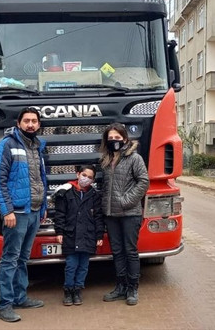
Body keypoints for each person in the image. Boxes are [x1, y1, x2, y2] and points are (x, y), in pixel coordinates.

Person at [0, 107, 48, 322]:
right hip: (17, 212)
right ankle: (4, 305)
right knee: (10, 259)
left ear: (39, 125)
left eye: (34, 121)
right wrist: (7, 210)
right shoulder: (8, 145)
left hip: (33, 211)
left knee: (23, 258)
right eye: (27, 121)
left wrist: (42, 208)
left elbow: (40, 180)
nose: (31, 124)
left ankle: (20, 297)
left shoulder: (37, 147)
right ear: (19, 123)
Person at [98, 123, 148, 306]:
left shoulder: (134, 158)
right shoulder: (105, 160)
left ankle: (132, 288)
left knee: (130, 251)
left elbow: (143, 181)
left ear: (125, 139)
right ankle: (120, 287)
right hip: (111, 214)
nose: (114, 141)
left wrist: (126, 201)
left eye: (117, 138)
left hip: (130, 213)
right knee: (117, 252)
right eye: (110, 139)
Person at [52, 165, 104, 307]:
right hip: (71, 235)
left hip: (88, 235)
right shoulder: (66, 192)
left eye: (90, 177)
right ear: (78, 174)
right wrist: (59, 232)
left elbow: (98, 217)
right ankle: (68, 291)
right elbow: (60, 214)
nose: (86, 179)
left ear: (93, 180)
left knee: (83, 266)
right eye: (84, 175)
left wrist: (99, 235)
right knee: (71, 265)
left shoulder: (94, 195)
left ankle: (78, 290)